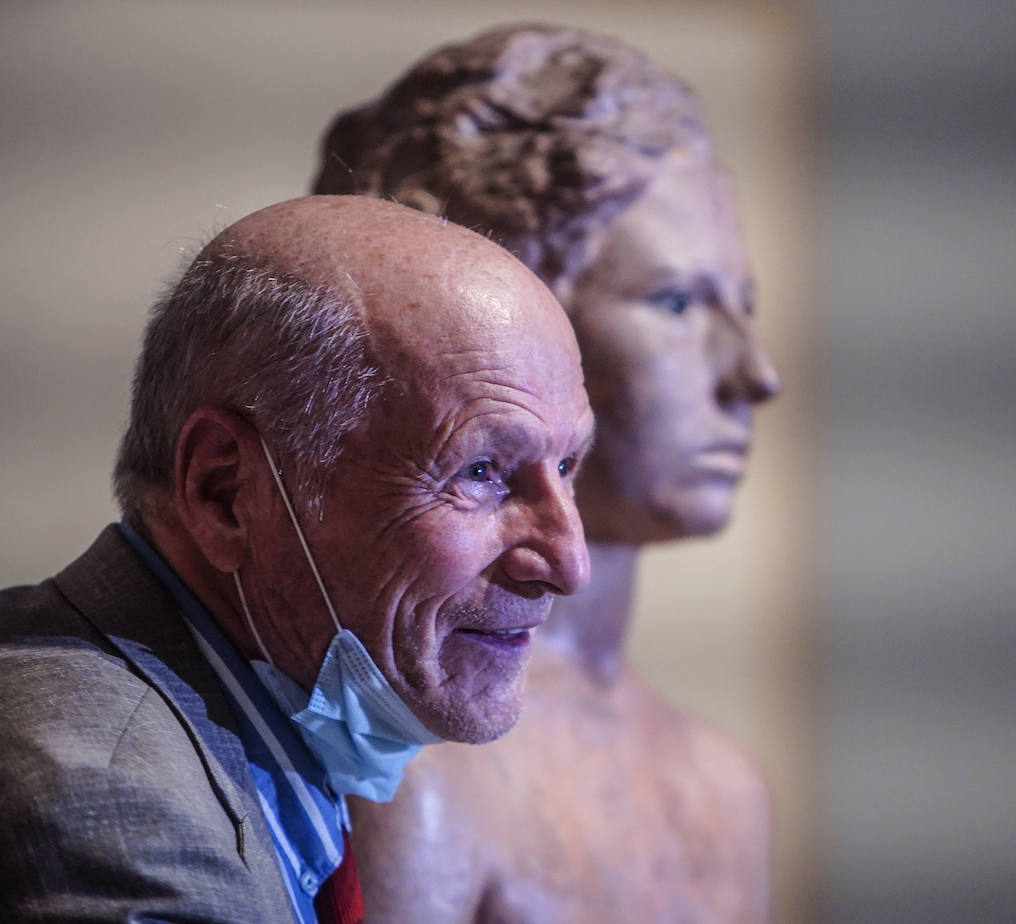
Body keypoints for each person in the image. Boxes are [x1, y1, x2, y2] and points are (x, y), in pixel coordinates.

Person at [0, 194, 593, 923]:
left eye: (567, 467)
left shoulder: (262, 719)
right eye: (479, 472)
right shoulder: (119, 811)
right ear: (224, 491)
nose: (568, 563)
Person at [313, 25, 781, 922]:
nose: (757, 373)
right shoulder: (413, 772)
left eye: (744, 308)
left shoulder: (727, 786)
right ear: (505, 327)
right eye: (677, 302)